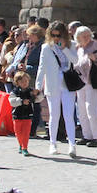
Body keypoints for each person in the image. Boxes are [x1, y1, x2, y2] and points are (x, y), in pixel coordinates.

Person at [36, 21, 80, 157]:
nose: (56, 38)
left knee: (68, 115)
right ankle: (53, 143)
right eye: (53, 35)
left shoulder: (71, 45)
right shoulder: (46, 47)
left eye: (59, 35)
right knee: (54, 115)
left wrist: (65, 48)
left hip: (67, 84)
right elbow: (41, 67)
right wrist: (38, 86)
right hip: (52, 84)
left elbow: (75, 61)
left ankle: (72, 144)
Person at [72, 25, 97, 146]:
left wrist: (95, 60)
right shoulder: (78, 48)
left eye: (88, 35)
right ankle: (87, 135)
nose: (87, 38)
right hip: (81, 83)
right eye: (84, 36)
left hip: (92, 82)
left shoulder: (95, 46)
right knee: (81, 110)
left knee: (91, 110)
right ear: (78, 38)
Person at [9, 71, 36, 155]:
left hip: (28, 114)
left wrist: (37, 93)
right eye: (22, 81)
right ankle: (21, 144)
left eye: (26, 81)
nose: (24, 83)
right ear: (17, 83)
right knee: (18, 132)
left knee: (26, 132)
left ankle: (25, 147)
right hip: (17, 114)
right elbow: (11, 101)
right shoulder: (14, 92)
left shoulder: (31, 91)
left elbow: (39, 98)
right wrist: (21, 101)